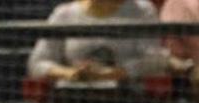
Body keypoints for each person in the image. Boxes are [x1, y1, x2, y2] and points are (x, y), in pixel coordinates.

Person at [26, 0, 171, 93]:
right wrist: (71, 73)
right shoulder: (64, 14)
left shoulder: (143, 10)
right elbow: (37, 63)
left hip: (127, 97)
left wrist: (112, 73)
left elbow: (154, 61)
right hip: (72, 97)